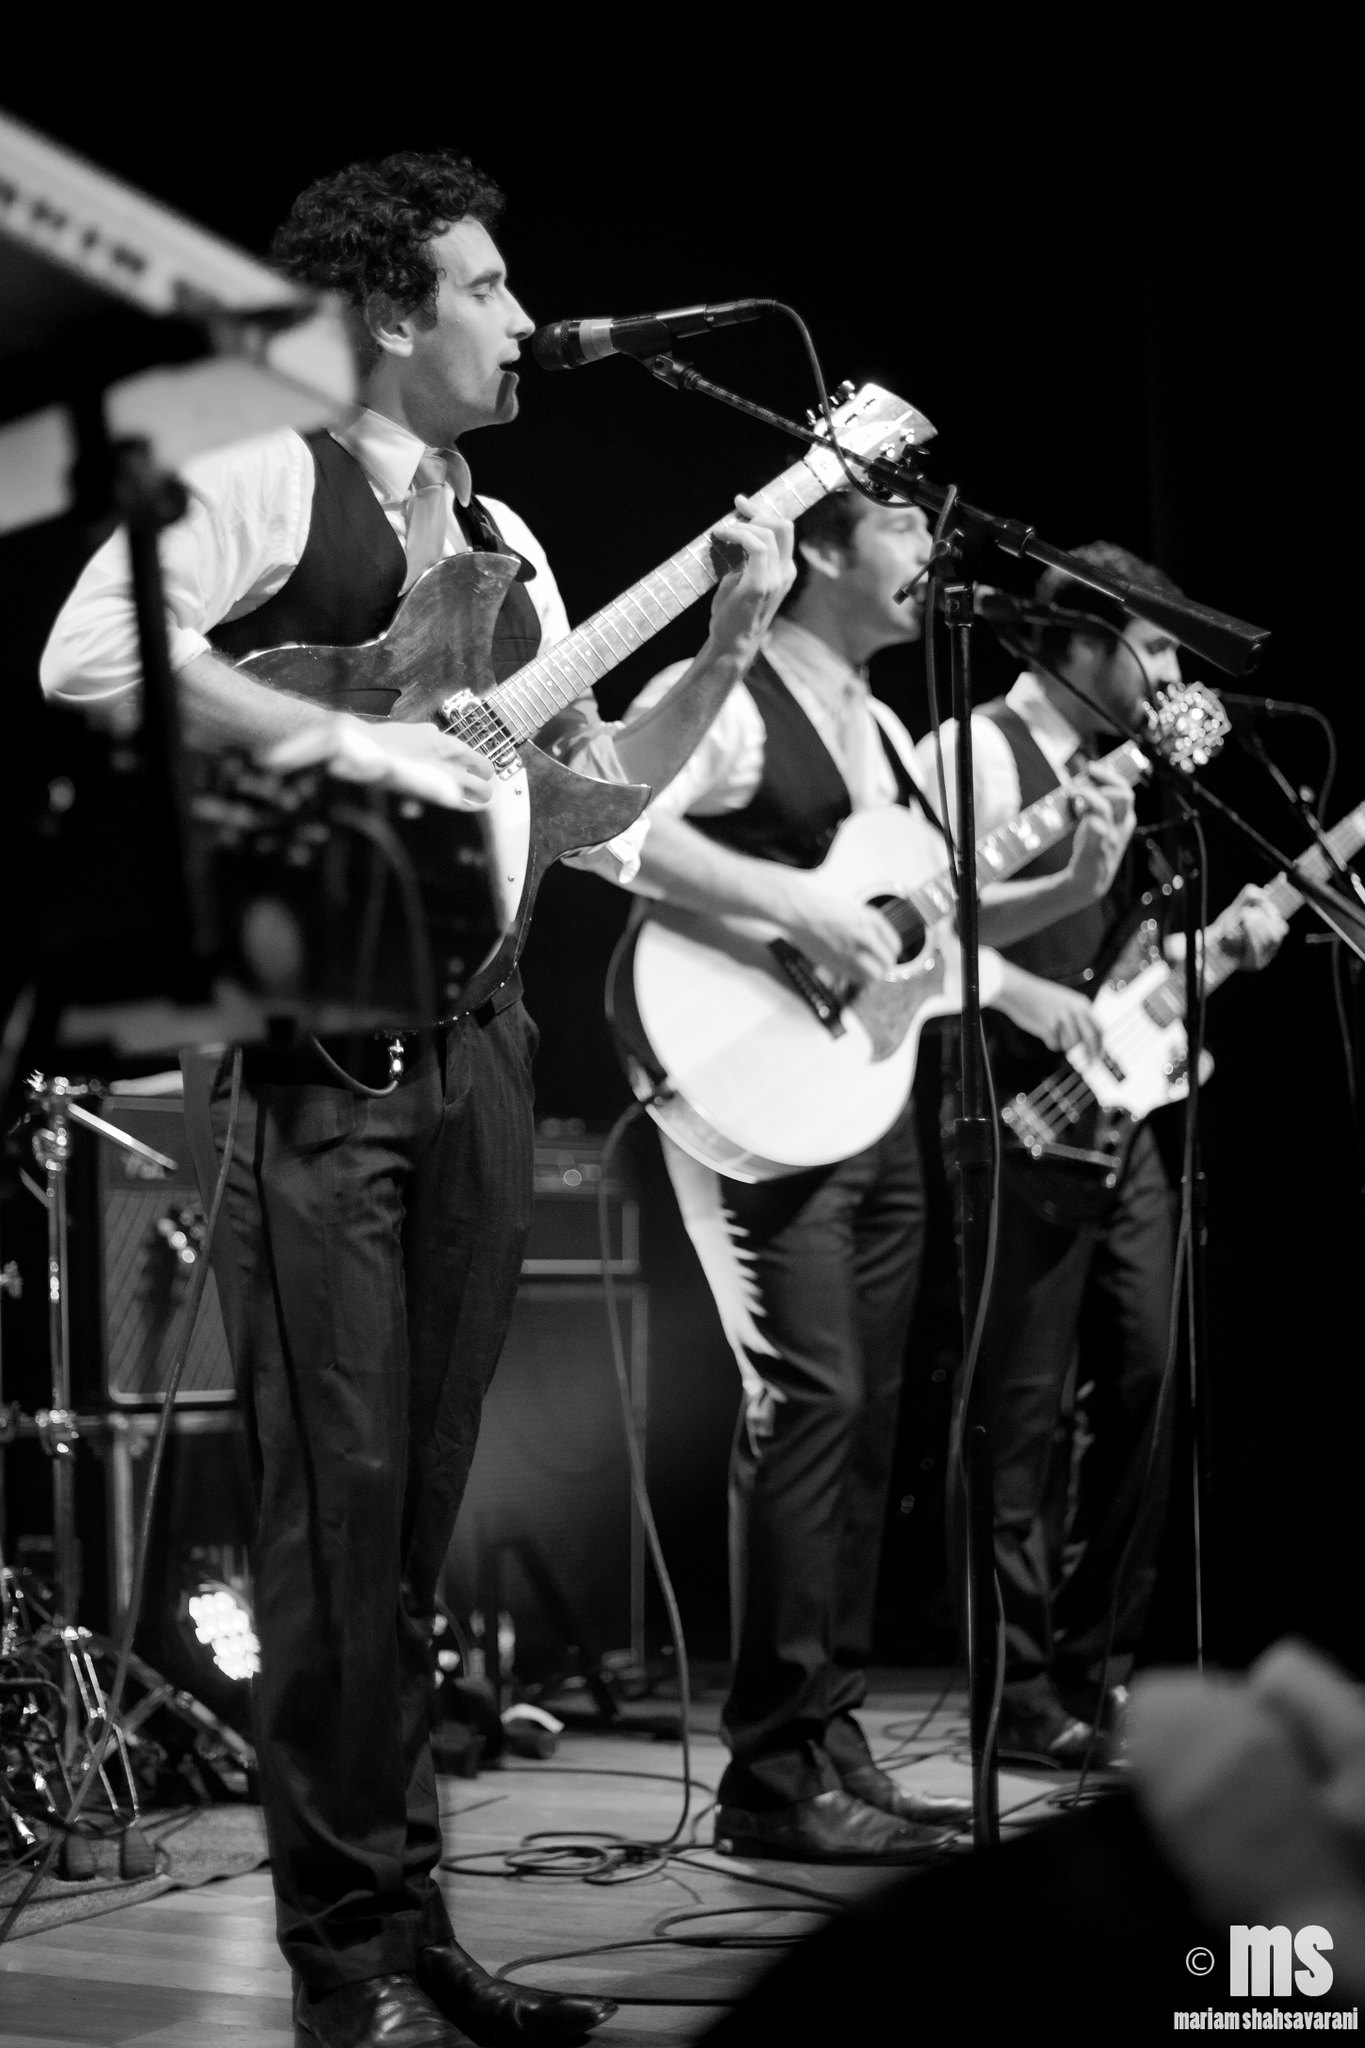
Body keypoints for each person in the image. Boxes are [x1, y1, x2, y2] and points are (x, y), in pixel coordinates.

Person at [41, 149, 793, 2048]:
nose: (526, 318)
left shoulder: (511, 541)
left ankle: (407, 1923)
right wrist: (361, 753)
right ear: (387, 312)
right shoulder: (261, 466)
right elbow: (91, 654)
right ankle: (342, 1964)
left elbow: (596, 814)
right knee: (336, 1516)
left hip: (478, 1053)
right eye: (489, 286)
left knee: (409, 1525)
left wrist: (724, 642)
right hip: (313, 1068)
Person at [613, 490, 1141, 1863]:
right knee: (812, 1399)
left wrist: (1069, 874)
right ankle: (772, 1774)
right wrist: (797, 904)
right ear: (826, 549)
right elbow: (614, 825)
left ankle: (830, 1739)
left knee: (866, 1414)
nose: (930, 551)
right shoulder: (729, 691)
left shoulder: (896, 734)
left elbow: (920, 928)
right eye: (904, 526)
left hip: (865, 1086)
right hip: (743, 1072)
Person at [915, 543, 1287, 1768]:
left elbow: (1125, 948)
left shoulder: (1133, 774)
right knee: (1019, 1410)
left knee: (1147, 1380)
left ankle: (1087, 1671)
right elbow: (919, 923)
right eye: (1158, 645)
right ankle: (1016, 1692)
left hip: (1119, 1119)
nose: (1173, 676)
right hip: (1008, 1101)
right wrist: (1026, 993)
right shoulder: (977, 751)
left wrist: (1215, 951)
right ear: (1081, 640)